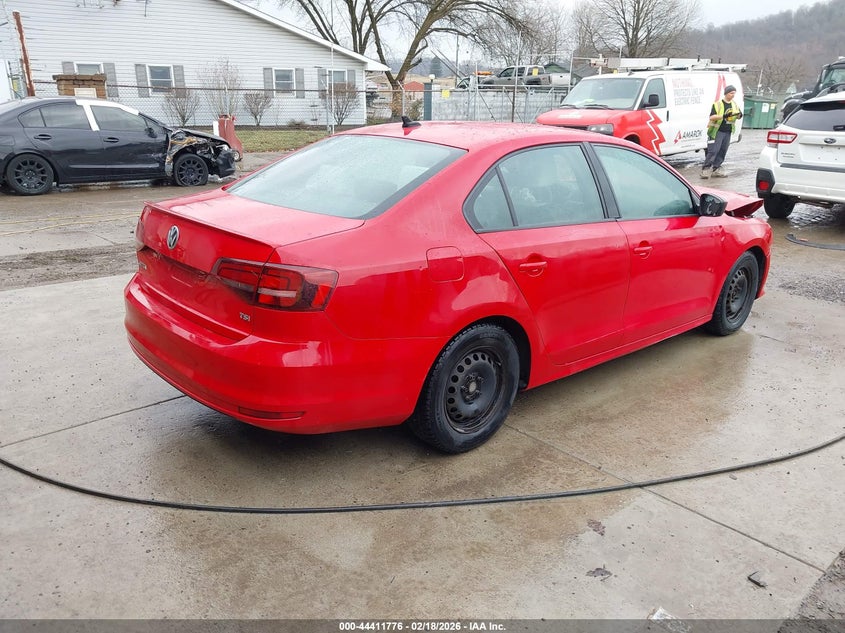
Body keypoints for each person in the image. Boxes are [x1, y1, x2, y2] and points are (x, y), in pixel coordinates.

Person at [701, 85, 743, 178]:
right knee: (713, 151)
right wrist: (724, 116)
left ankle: (716, 169)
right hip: (717, 131)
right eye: (731, 93)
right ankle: (705, 169)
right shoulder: (718, 104)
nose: (733, 95)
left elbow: (739, 115)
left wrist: (739, 115)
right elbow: (712, 117)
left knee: (722, 151)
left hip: (727, 131)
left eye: (734, 93)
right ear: (726, 93)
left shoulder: (734, 104)